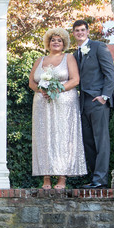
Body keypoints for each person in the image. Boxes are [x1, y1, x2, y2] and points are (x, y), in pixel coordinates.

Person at [28, 28, 86, 189]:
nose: (56, 42)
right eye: (53, 39)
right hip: (42, 104)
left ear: (64, 43)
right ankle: (46, 177)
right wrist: (41, 90)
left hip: (64, 103)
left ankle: (62, 177)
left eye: (59, 40)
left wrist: (57, 89)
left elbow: (75, 80)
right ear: (48, 42)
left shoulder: (69, 58)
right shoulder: (39, 60)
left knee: (63, 137)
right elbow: (31, 82)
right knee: (43, 137)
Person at [72, 19, 114, 189]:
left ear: (88, 31)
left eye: (83, 30)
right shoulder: (75, 54)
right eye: (77, 31)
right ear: (73, 33)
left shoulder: (99, 47)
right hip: (82, 103)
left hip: (98, 101)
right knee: (88, 142)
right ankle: (94, 177)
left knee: (101, 140)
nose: (80, 33)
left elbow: (109, 72)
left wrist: (104, 96)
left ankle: (101, 179)